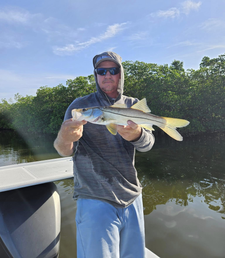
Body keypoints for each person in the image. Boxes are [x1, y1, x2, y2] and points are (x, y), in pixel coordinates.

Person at [54, 51, 155, 258]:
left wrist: (137, 135)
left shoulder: (132, 105)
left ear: (120, 74)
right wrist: (65, 137)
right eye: (101, 71)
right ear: (96, 75)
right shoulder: (79, 106)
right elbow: (64, 150)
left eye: (113, 70)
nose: (107, 75)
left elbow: (148, 145)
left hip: (132, 197)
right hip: (94, 199)